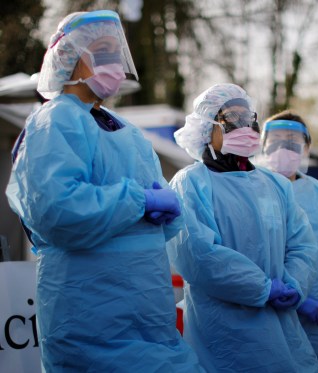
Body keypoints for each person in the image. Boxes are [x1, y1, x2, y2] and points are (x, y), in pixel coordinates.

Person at [6, 10, 203, 372]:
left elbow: (161, 213)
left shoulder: (127, 131)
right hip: (89, 310)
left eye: (117, 51)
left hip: (148, 308)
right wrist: (139, 201)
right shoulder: (54, 121)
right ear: (68, 57)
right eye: (101, 50)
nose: (113, 61)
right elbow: (56, 211)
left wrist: (170, 209)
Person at [169, 83, 318, 372]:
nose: (245, 127)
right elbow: (199, 257)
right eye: (231, 120)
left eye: (248, 118)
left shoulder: (275, 184)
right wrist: (262, 287)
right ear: (205, 128)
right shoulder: (190, 184)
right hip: (221, 334)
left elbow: (303, 243)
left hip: (282, 328)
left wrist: (294, 283)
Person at [258, 110, 318, 372]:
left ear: (307, 146)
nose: (283, 148)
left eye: (291, 140)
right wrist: (298, 300)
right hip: (270, 316)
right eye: (275, 140)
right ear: (263, 145)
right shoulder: (252, 191)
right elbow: (254, 252)